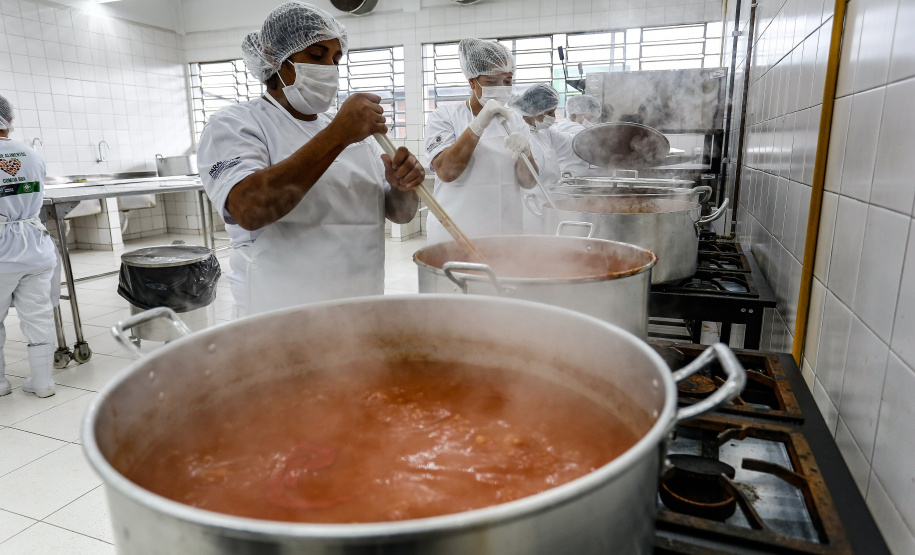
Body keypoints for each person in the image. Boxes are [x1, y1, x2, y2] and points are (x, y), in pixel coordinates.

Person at [197, 2, 423, 317]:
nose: (329, 68)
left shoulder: (353, 132)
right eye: (317, 56)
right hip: (280, 312)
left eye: (335, 59)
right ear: (275, 57)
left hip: (359, 304)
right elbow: (249, 209)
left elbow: (398, 215)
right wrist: (338, 134)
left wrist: (403, 188)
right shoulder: (236, 124)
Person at [423, 38, 539, 245]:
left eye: (507, 81)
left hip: (505, 232)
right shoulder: (445, 116)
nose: (501, 88)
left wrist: (526, 152)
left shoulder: (516, 122)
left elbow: (529, 182)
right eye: (492, 82)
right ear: (472, 81)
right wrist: (478, 124)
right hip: (456, 232)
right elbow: (446, 172)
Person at [0, 94, 58, 398]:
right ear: (10, 120)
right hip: (35, 249)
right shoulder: (31, 154)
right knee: (38, 316)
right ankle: (43, 382)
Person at [510, 84, 591, 233]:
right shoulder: (515, 133)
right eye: (550, 112)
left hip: (551, 205)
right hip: (529, 209)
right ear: (533, 110)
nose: (553, 117)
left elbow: (574, 143)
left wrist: (603, 139)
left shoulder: (545, 133)